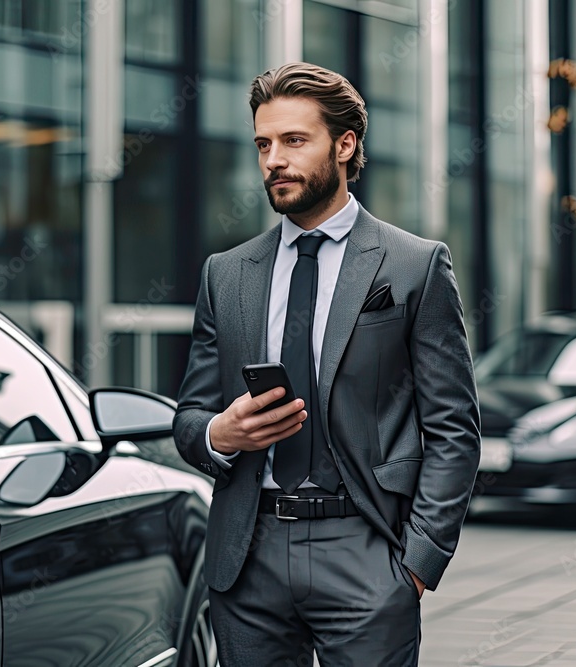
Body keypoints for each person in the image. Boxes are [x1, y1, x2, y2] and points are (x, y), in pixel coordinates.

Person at [173, 62, 481, 665]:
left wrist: (417, 564)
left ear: (345, 145)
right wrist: (219, 433)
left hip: (365, 549)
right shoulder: (226, 274)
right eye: (263, 143)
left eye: (293, 141)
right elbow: (189, 416)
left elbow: (454, 429)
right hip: (248, 557)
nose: (272, 160)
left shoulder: (414, 265)